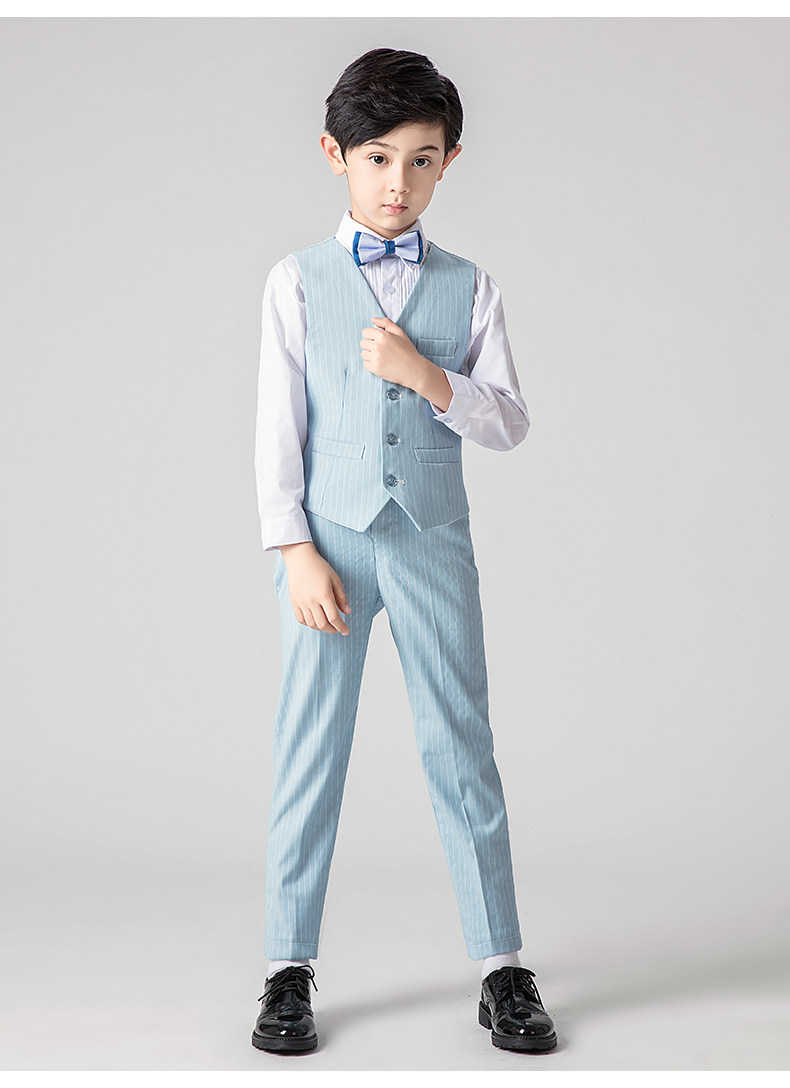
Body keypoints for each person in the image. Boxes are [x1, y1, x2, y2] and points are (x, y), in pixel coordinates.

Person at [251, 46, 557, 1055]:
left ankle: (501, 965)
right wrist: (293, 548)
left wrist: (429, 376)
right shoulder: (296, 282)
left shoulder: (471, 287)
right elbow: (277, 428)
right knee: (310, 748)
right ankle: (286, 965)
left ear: (448, 162)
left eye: (421, 160)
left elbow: (507, 422)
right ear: (335, 155)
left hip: (432, 539)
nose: (398, 183)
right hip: (330, 545)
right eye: (378, 158)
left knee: (460, 743)